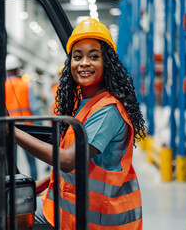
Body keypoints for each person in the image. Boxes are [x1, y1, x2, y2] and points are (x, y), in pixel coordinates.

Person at [11, 18, 146, 229]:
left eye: (94, 56)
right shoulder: (84, 104)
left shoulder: (107, 110)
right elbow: (83, 166)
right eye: (77, 57)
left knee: (7, 217)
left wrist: (12, 132)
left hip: (94, 219)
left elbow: (68, 160)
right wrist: (47, 183)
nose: (84, 63)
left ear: (107, 64)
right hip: (72, 208)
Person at [5, 53, 41, 180]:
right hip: (26, 127)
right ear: (17, 69)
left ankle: (12, 187)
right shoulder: (26, 84)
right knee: (31, 159)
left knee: (11, 161)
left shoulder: (1, 85)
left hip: (8, 128)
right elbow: (35, 107)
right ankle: (35, 184)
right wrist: (39, 123)